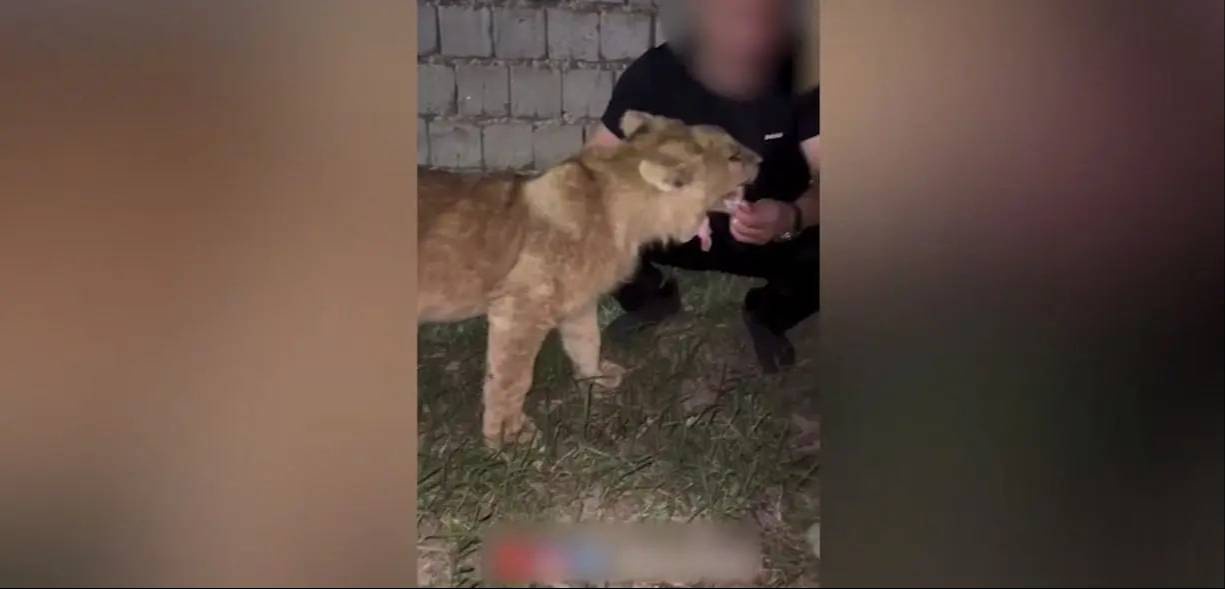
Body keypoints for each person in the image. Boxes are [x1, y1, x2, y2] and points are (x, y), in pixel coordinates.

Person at [586, 0, 820, 373]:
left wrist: (789, 217)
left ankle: (770, 313)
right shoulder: (657, 72)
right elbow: (593, 167)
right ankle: (649, 300)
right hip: (674, 230)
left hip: (771, 234)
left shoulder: (802, 74)